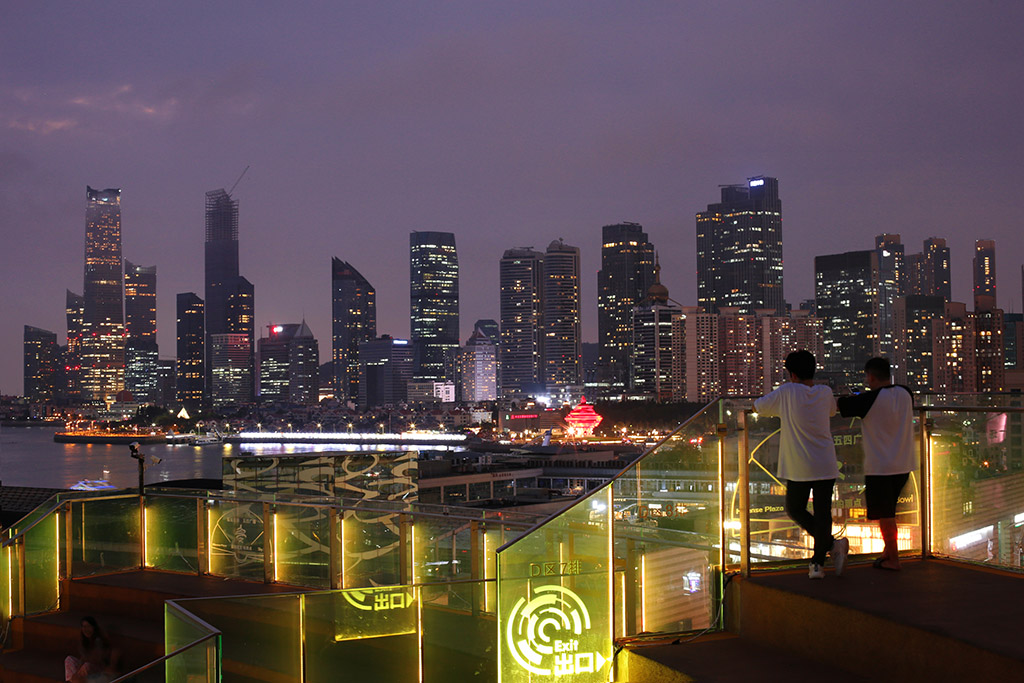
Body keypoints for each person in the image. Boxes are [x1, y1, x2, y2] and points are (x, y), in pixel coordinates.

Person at [755, 350, 848, 579]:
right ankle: (819, 562)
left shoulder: (787, 392)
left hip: (799, 464)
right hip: (825, 461)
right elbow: (831, 411)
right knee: (823, 512)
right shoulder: (825, 392)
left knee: (795, 509)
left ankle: (827, 552)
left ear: (791, 374)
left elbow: (759, 406)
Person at [837, 357, 915, 571]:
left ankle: (894, 560)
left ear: (870, 376)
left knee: (886, 515)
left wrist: (854, 396)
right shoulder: (905, 393)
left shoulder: (867, 400)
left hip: (881, 467)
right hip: (904, 464)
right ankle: (888, 553)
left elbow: (841, 406)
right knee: (887, 512)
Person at [64, 616, 118, 683]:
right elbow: (82, 658)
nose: (85, 629)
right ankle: (71, 681)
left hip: (99, 668)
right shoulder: (84, 641)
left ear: (93, 627)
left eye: (88, 626)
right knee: (69, 659)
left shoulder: (98, 640)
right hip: (86, 665)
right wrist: (77, 672)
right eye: (83, 626)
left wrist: (79, 671)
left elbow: (97, 659)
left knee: (87, 666)